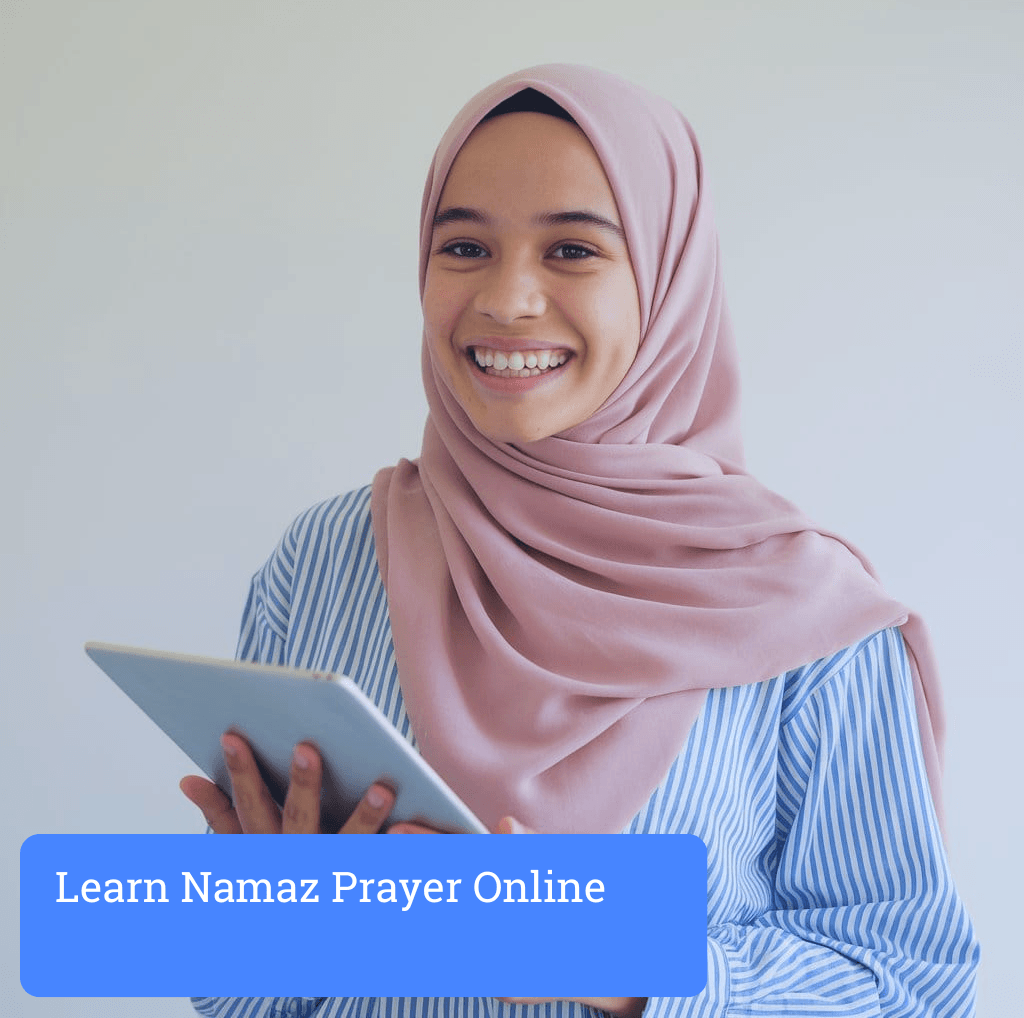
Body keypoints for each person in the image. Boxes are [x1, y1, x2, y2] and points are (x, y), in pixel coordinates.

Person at [181, 64, 979, 1018]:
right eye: (466, 244)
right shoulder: (320, 565)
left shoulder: (814, 621)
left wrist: (611, 958)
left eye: (572, 251)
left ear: (668, 281)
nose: (508, 300)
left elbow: (911, 987)